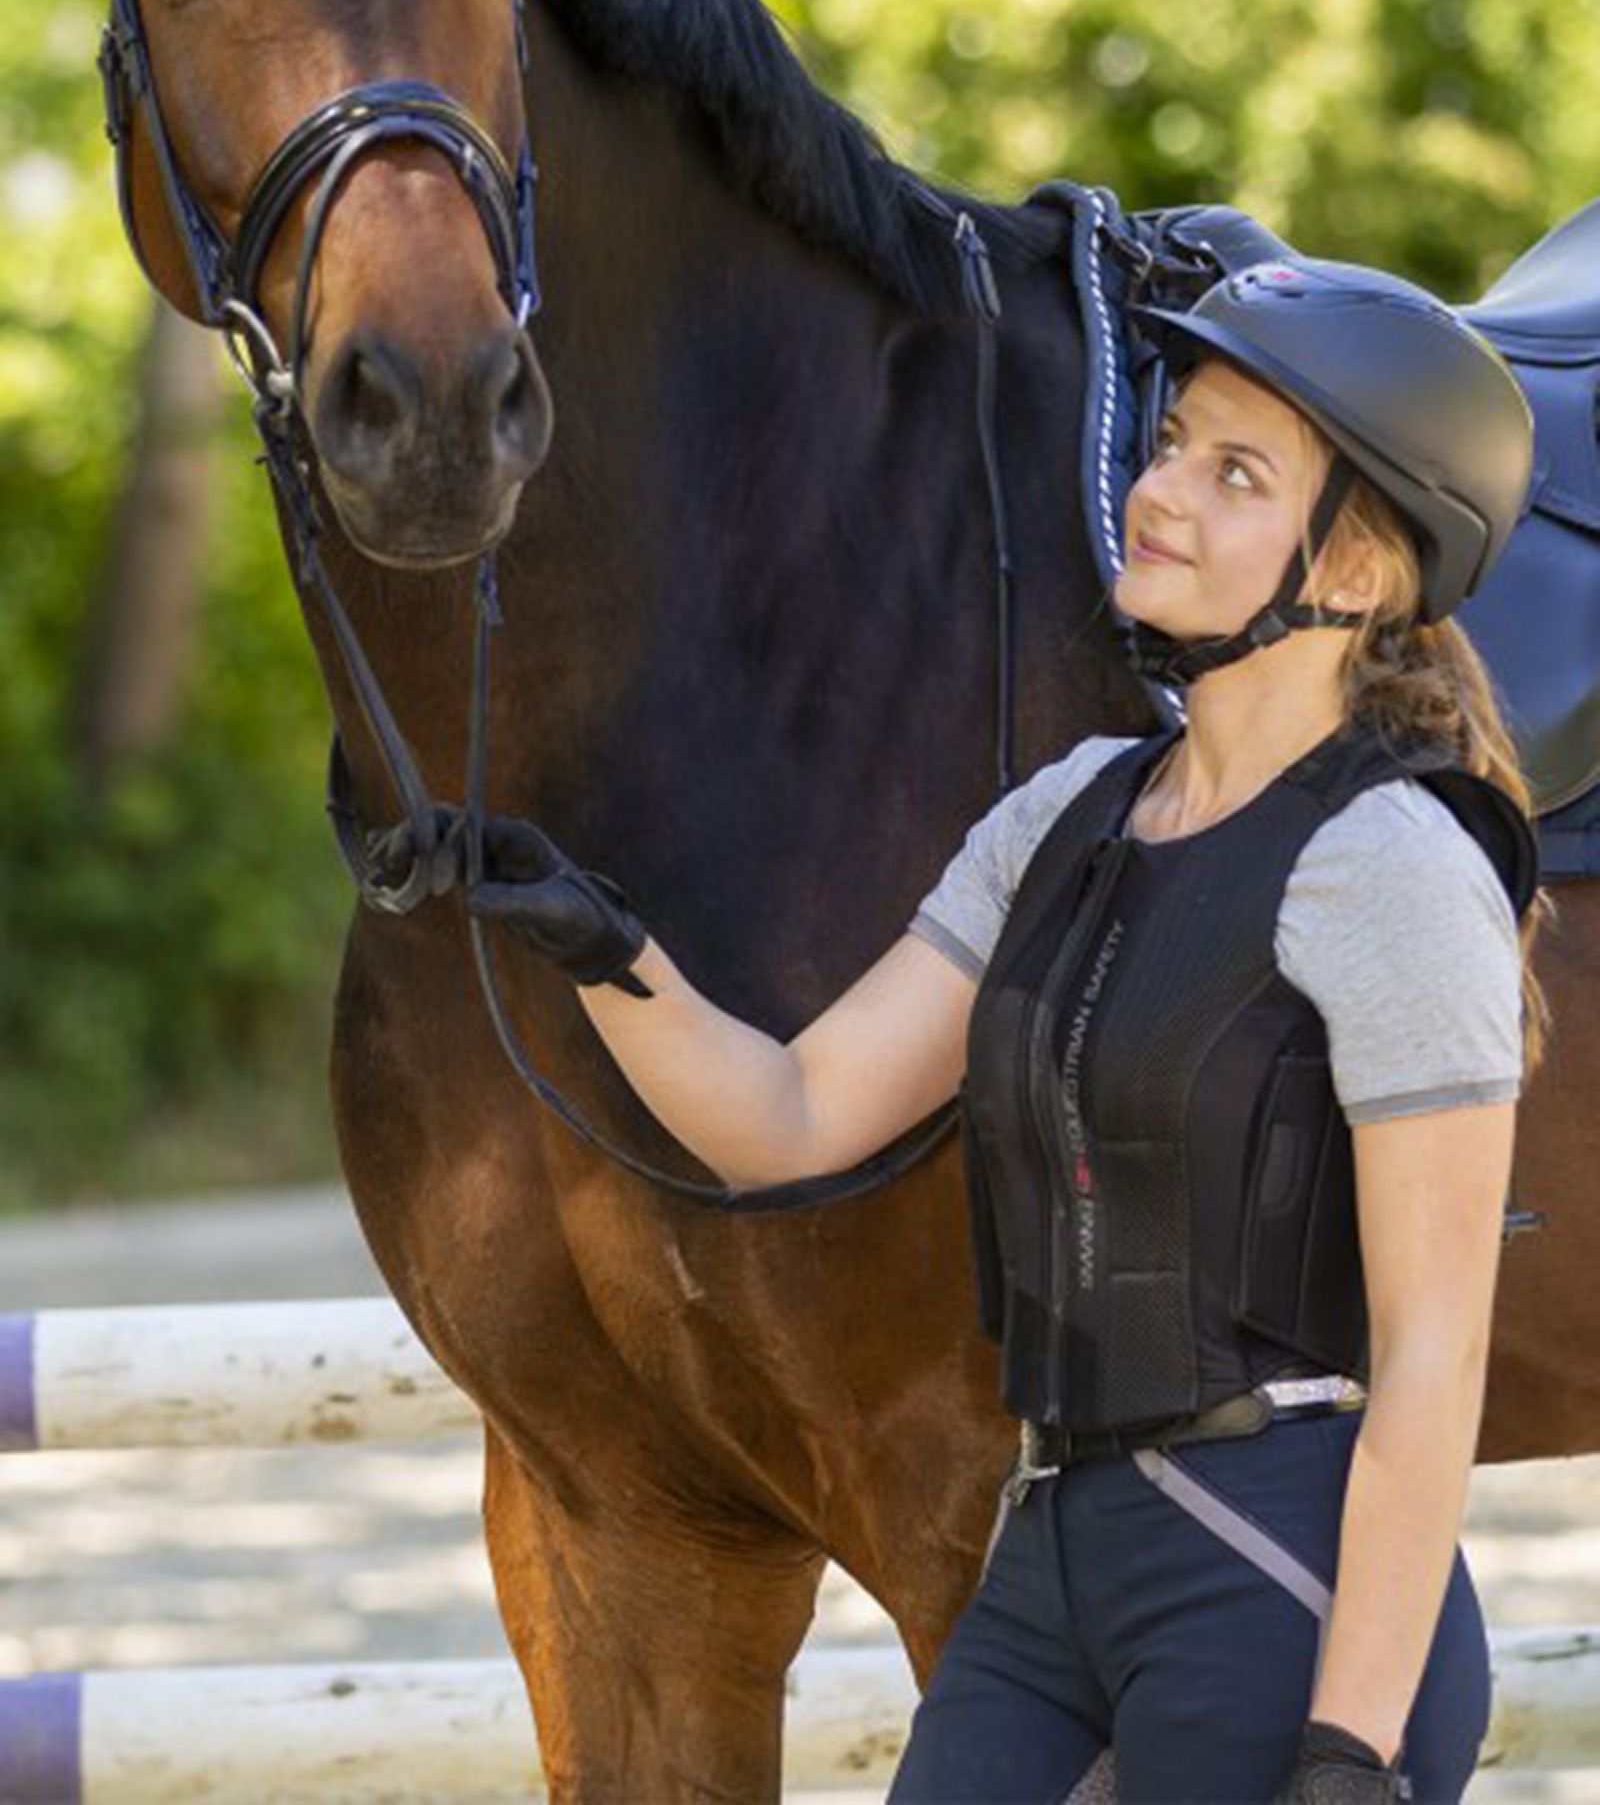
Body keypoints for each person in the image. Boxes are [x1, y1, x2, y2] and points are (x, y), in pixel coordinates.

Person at [480, 256, 1542, 1805]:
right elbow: (790, 1114)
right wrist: (601, 950)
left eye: (1234, 474)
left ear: (1358, 574)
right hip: (1051, 1555)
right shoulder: (1066, 811)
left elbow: (1437, 1354)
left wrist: (1352, 1751)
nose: (1161, 490)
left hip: (1281, 1581)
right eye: (1173, 441)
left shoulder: (1388, 865)